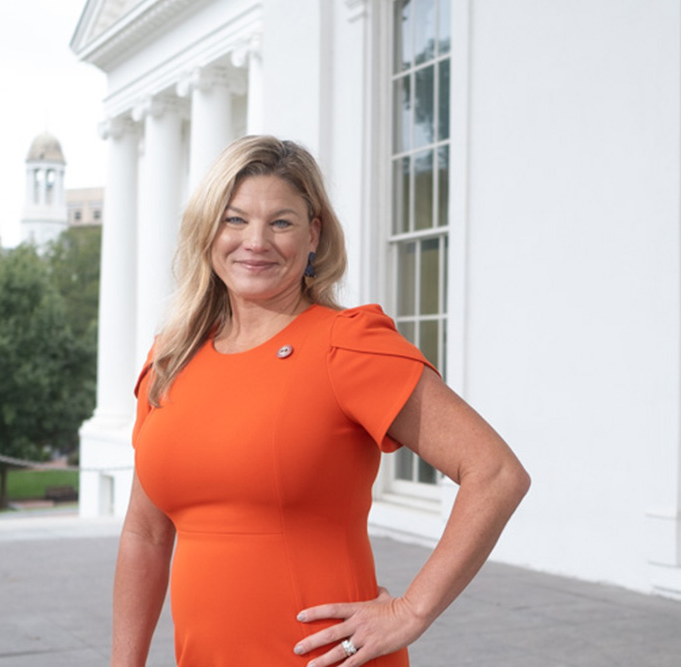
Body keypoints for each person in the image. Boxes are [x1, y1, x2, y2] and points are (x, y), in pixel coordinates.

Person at [111, 135, 530, 667]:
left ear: (314, 236)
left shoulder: (347, 344)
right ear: (207, 230)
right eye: (234, 219)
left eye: (280, 222)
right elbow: (145, 534)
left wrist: (412, 611)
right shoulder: (171, 358)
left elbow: (495, 473)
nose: (255, 241)